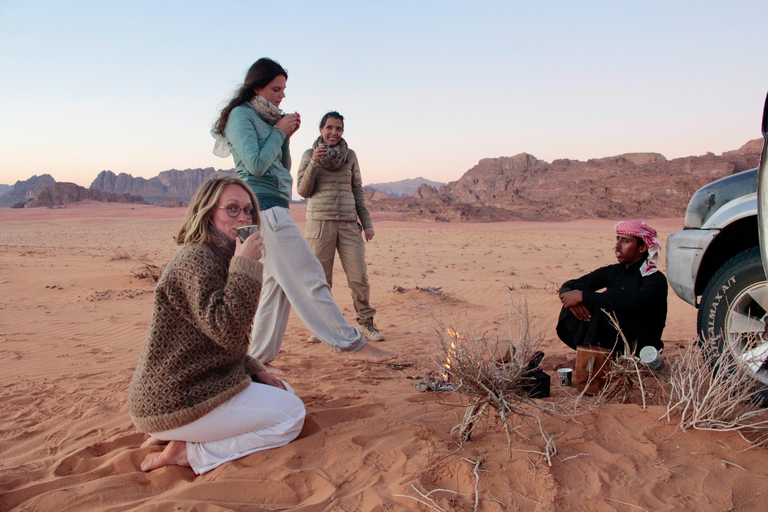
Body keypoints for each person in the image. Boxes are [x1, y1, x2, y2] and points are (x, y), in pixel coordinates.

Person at [211, 58, 396, 370]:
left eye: (284, 89)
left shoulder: (267, 120)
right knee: (309, 274)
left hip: (275, 204)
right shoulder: (240, 117)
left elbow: (281, 170)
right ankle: (350, 343)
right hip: (261, 207)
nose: (282, 95)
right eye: (276, 89)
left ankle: (257, 360)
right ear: (257, 87)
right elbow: (255, 165)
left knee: (275, 288)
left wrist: (283, 136)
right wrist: (279, 134)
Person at [128, 175, 306, 475]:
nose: (243, 217)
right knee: (291, 416)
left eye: (249, 210)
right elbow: (228, 330)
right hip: (175, 397)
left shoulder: (219, 255)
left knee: (283, 390)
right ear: (209, 212)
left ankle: (177, 432)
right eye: (232, 209)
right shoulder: (197, 259)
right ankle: (190, 450)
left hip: (195, 384)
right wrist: (246, 265)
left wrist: (254, 368)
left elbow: (215, 342)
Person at [296, 111, 384, 343]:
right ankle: (322, 326)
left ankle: (366, 323)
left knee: (359, 277)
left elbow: (357, 191)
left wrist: (367, 224)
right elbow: (303, 191)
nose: (334, 132)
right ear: (321, 129)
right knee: (321, 279)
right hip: (320, 224)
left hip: (347, 224)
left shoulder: (351, 156)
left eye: (339, 128)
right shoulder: (309, 154)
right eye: (330, 128)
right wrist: (314, 162)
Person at [556, 220, 668, 355]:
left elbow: (631, 302)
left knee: (608, 302)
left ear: (642, 248)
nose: (617, 245)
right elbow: (571, 284)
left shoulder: (655, 279)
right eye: (617, 239)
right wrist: (571, 297)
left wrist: (584, 297)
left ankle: (593, 356)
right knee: (577, 300)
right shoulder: (613, 271)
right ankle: (589, 354)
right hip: (614, 338)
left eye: (625, 241)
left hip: (642, 345)